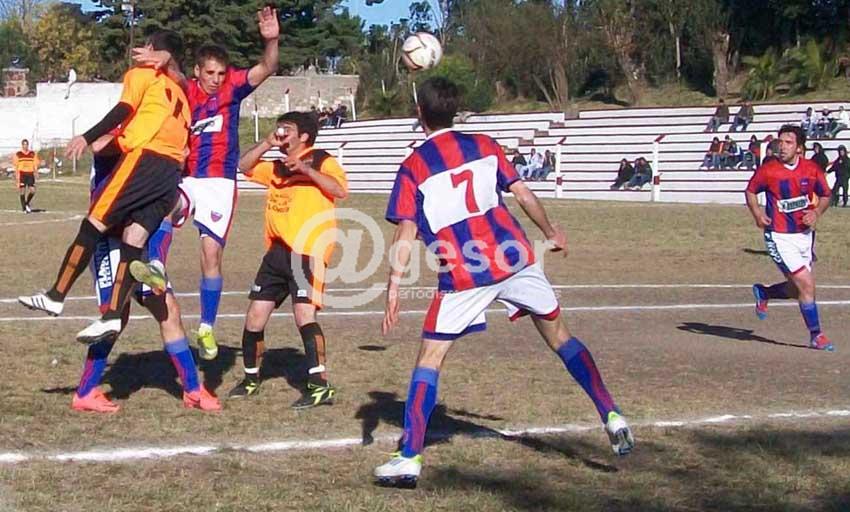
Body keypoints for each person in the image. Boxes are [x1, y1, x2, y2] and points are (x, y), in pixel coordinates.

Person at [374, 77, 634, 487]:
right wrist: (551, 232)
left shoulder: (413, 166)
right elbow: (523, 194)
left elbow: (405, 230)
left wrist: (393, 284)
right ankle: (611, 413)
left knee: (430, 359)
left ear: (419, 113)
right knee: (561, 338)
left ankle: (409, 457)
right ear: (455, 110)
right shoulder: (484, 144)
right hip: (516, 259)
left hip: (465, 272)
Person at [18, 30, 190, 346]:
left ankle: (55, 296)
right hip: (170, 174)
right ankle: (112, 315)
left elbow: (123, 108)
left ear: (151, 49)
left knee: (93, 225)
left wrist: (86, 136)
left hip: (144, 160)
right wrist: (168, 58)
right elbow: (178, 75)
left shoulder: (143, 74)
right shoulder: (180, 90)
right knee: (134, 240)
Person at [131, 7, 280, 360]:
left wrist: (271, 40)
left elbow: (267, 67)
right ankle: (156, 268)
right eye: (210, 72)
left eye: (221, 73)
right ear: (198, 71)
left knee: (210, 255)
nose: (216, 79)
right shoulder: (186, 89)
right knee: (165, 206)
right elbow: (172, 71)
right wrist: (163, 57)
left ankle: (207, 327)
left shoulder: (233, 88)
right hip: (189, 177)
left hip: (220, 184)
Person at [73, 134, 220, 413]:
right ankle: (85, 392)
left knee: (169, 310)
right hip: (109, 241)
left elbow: (165, 214)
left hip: (138, 247)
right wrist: (138, 141)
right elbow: (99, 145)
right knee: (115, 316)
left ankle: (192, 390)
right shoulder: (131, 134)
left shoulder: (167, 175)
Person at [225, 112, 347, 408]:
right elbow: (244, 166)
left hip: (309, 250)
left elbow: (339, 189)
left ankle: (319, 386)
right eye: (279, 128)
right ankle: (251, 379)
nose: (280, 132)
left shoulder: (322, 159)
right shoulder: (277, 166)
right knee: (255, 316)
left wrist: (305, 169)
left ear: (303, 136)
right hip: (277, 252)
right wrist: (266, 143)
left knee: (304, 315)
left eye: (286, 129)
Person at [747, 125, 833, 351]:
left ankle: (765, 292)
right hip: (779, 236)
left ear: (799, 148)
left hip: (804, 236)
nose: (782, 147)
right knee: (806, 284)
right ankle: (816, 335)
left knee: (797, 290)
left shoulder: (811, 169)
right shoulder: (769, 170)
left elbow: (826, 195)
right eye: (780, 142)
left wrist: (816, 212)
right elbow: (751, 191)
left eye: (788, 143)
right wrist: (757, 213)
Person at [13, 139, 38, 213]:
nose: (25, 146)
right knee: (22, 192)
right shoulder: (18, 154)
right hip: (22, 174)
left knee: (33, 191)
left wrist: (36, 172)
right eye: (24, 144)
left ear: (28, 145)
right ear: (22, 145)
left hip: (30, 174)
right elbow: (16, 166)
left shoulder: (32, 154)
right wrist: (16, 175)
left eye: (26, 144)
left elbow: (35, 164)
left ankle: (27, 203)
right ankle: (24, 208)